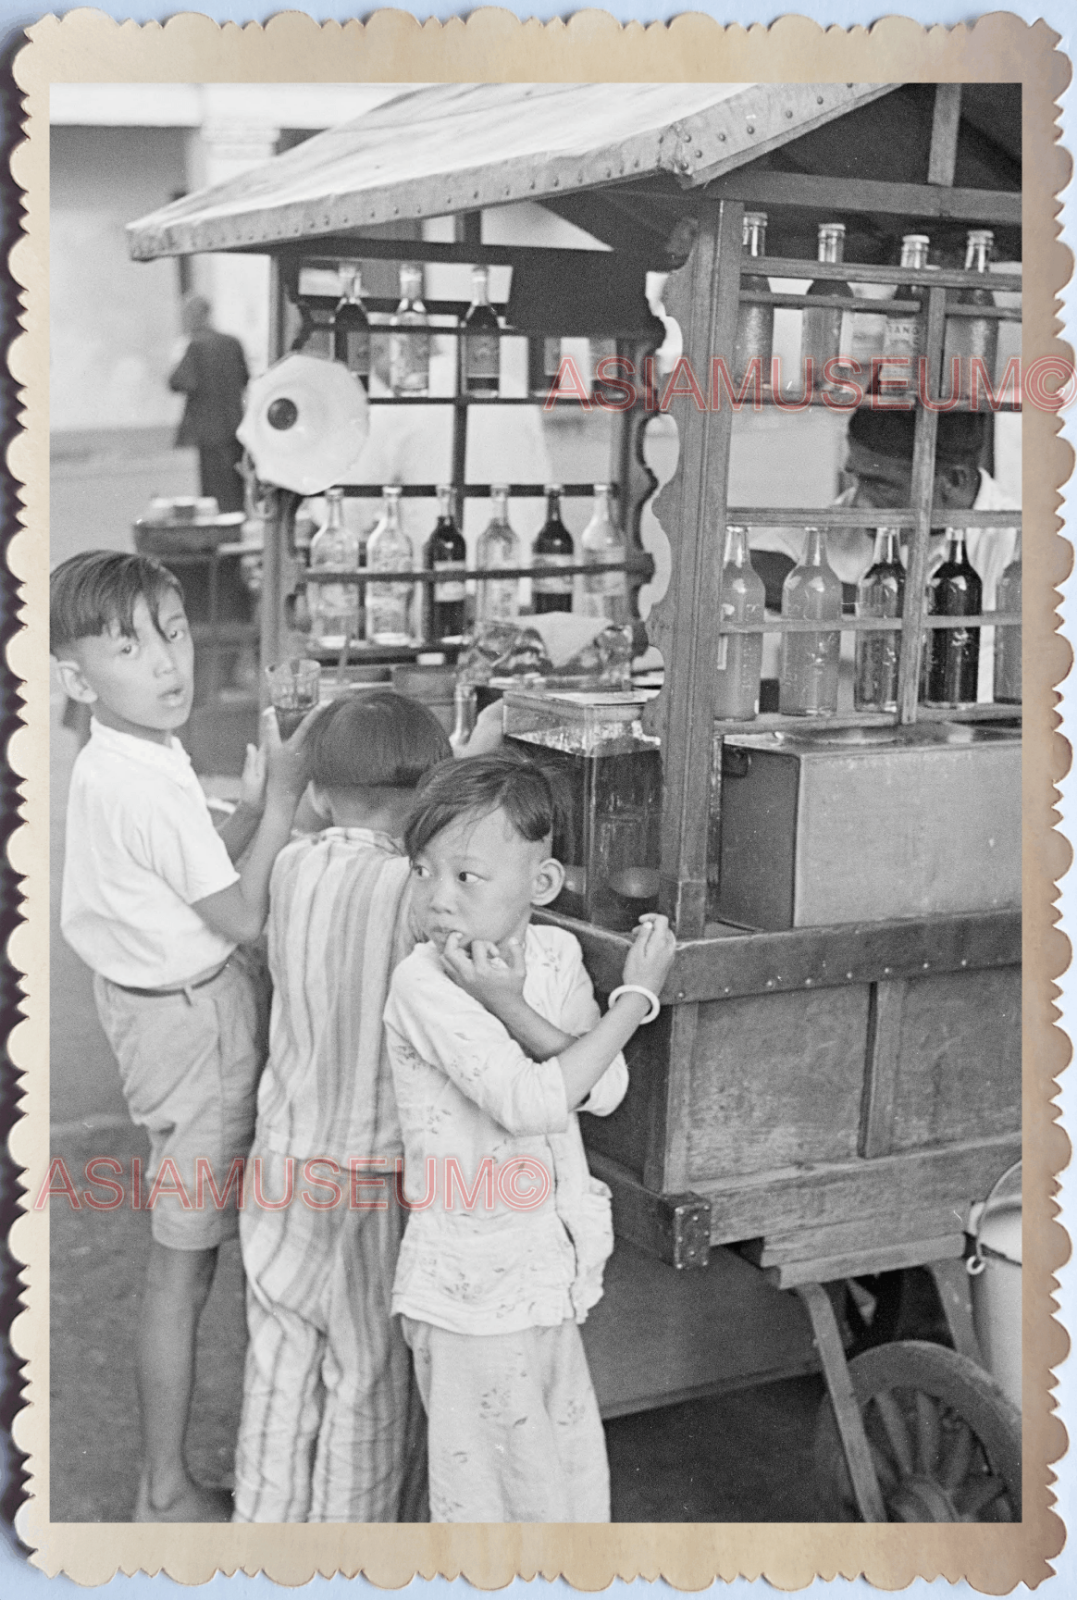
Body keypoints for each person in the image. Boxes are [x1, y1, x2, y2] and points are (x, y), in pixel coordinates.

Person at [51, 549, 310, 1523]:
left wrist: (247, 810)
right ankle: (163, 1489)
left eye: (172, 631)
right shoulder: (141, 780)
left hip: (166, 1011)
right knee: (186, 1256)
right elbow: (242, 918)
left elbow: (191, 868)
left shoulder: (125, 751)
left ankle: (181, 1473)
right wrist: (283, 798)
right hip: (191, 1027)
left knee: (196, 1247)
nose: (165, 662)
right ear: (78, 679)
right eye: (127, 647)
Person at [383, 753, 677, 1522]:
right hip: (470, 1293)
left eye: (465, 877)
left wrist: (516, 1004)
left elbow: (602, 1090)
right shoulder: (423, 983)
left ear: (539, 887)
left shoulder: (554, 955)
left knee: (562, 1494)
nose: (436, 899)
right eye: (422, 872)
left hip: (545, 1270)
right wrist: (636, 999)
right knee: (487, 1512)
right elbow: (529, 1101)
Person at [232, 691, 452, 1524]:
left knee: (280, 1357)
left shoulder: (288, 867)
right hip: (373, 1168)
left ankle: (262, 1543)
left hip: (281, 1159)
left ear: (320, 791)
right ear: (430, 797)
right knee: (364, 1371)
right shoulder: (415, 890)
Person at [752, 408, 1019, 702]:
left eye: (880, 484)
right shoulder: (854, 510)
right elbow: (752, 565)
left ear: (953, 481)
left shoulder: (1016, 542)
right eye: (857, 479)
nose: (860, 502)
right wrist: (876, 599)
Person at [169, 293, 250, 514]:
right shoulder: (233, 343)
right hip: (234, 426)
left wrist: (179, 354)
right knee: (234, 488)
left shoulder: (194, 346)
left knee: (214, 491)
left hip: (208, 430)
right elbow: (245, 378)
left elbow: (177, 382)